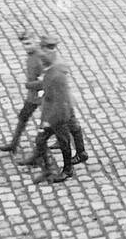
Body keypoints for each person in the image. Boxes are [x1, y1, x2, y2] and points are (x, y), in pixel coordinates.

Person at [22, 36, 84, 183]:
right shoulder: (52, 70)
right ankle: (47, 168)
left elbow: (58, 100)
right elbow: (45, 84)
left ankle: (67, 170)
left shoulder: (55, 75)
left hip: (58, 115)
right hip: (55, 113)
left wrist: (48, 121)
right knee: (43, 140)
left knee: (62, 142)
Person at [0, 30, 45, 154]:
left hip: (43, 96)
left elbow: (47, 80)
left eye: (29, 43)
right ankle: (14, 144)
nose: (26, 47)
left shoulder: (40, 58)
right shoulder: (31, 57)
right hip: (33, 96)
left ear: (36, 42)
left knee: (54, 123)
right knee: (23, 117)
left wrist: (29, 85)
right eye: (24, 44)